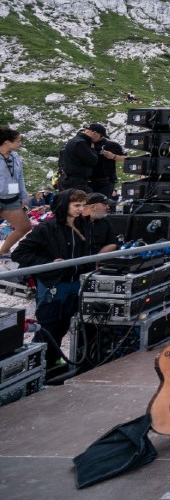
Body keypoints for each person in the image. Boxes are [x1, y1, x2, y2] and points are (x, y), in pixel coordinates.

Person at [12, 189, 93, 366]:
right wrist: (49, 263)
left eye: (83, 205)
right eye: (76, 205)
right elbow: (19, 253)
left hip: (73, 284)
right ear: (65, 205)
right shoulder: (47, 228)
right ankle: (35, 366)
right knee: (47, 328)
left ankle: (51, 361)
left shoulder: (83, 226)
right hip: (52, 285)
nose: (80, 209)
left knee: (63, 326)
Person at [0, 126, 31, 259]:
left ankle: (3, 252)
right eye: (18, 141)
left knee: (24, 226)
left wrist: (23, 195)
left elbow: (20, 177)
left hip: (11, 199)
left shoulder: (15, 156)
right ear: (7, 142)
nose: (20, 143)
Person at [57, 123, 106, 192]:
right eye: (101, 136)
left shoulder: (71, 141)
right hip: (76, 181)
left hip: (65, 179)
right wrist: (92, 149)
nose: (100, 139)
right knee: (91, 200)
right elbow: (93, 161)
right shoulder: (81, 143)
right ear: (94, 133)